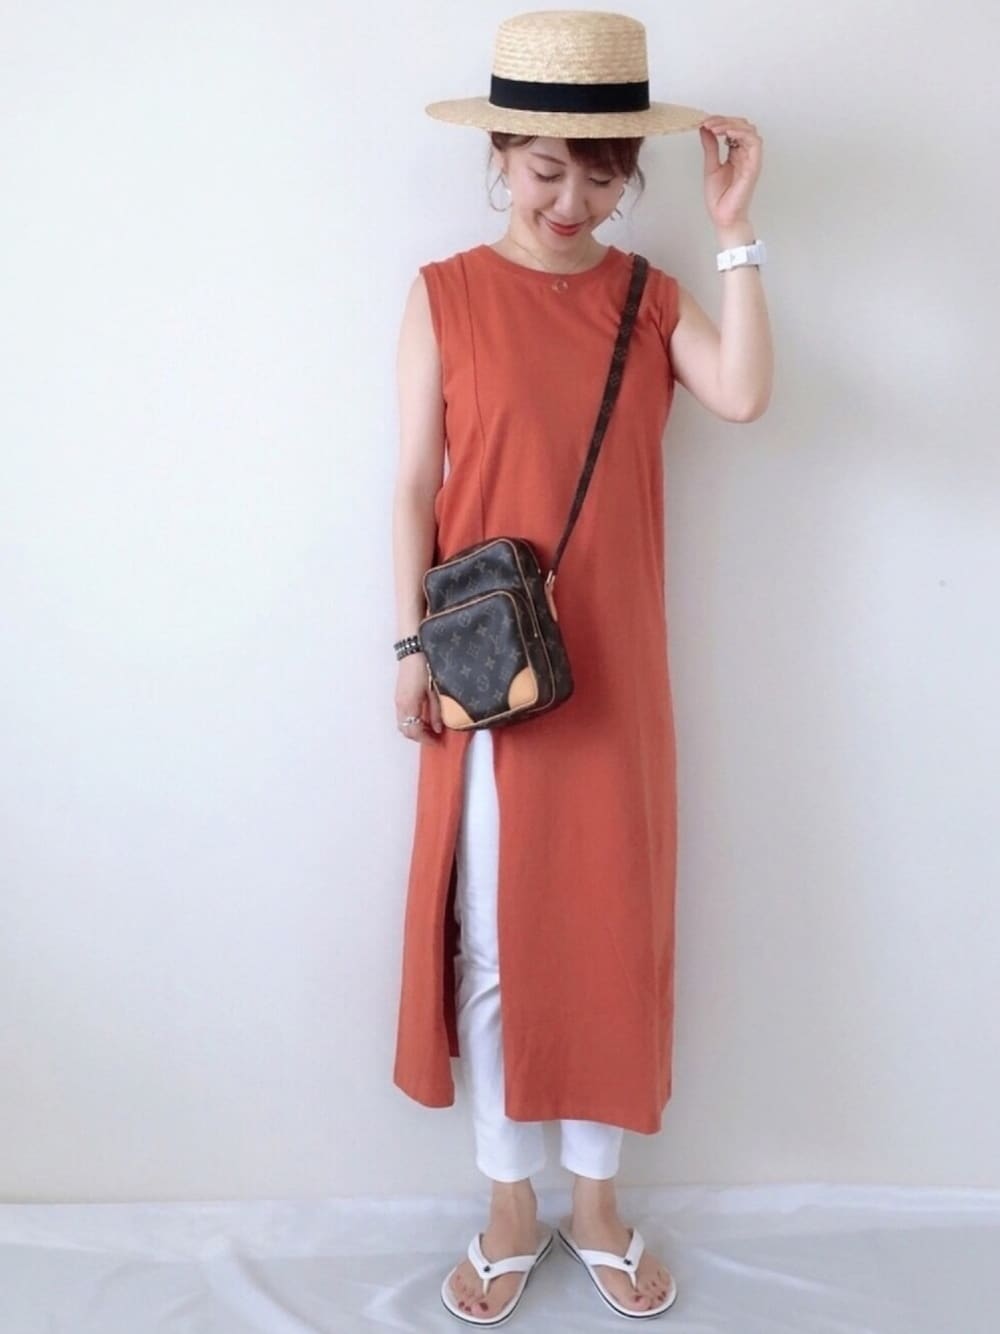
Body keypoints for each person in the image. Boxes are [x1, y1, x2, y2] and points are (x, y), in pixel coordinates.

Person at [390, 10, 773, 1325]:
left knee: (613, 935)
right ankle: (510, 1199)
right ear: (501, 153)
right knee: (497, 945)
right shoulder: (443, 293)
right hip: (490, 677)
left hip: (620, 677)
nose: (571, 201)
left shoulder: (648, 297)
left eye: (602, 176)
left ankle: (598, 1202)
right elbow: (411, 487)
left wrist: (735, 230)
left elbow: (742, 393)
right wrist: (408, 646)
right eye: (548, 168)